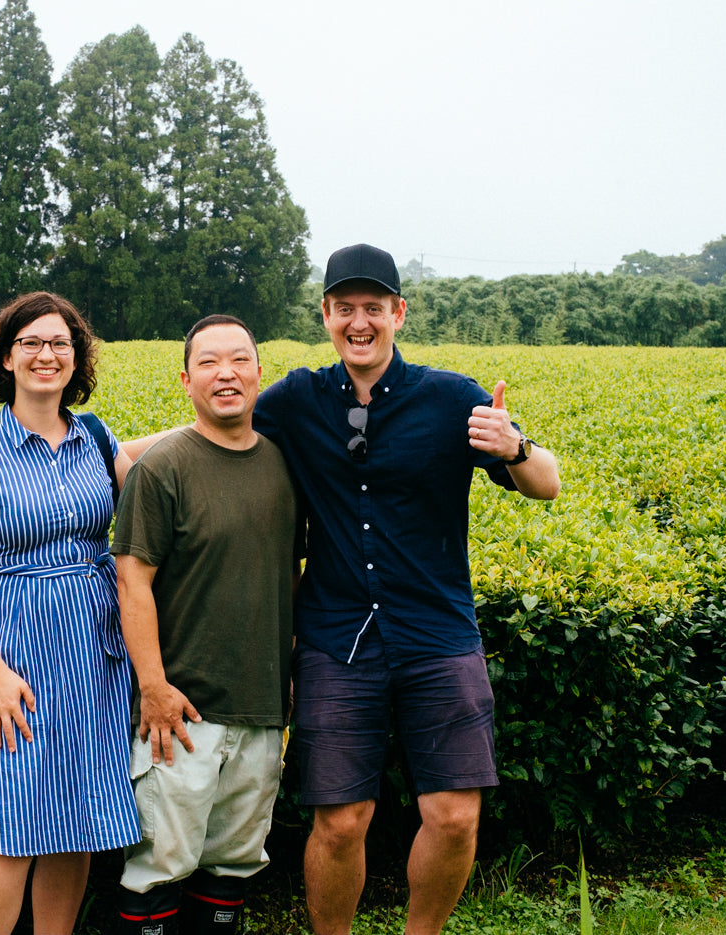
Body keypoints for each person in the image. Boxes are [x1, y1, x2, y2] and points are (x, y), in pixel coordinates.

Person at [249, 243, 561, 935]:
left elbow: (547, 483)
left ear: (399, 312)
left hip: (438, 631)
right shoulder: (299, 399)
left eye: (374, 308)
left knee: (453, 814)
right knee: (339, 820)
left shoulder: (451, 397)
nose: (360, 322)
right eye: (345, 309)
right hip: (335, 636)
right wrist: (100, 447)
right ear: (326, 315)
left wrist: (514, 446)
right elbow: (217, 429)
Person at [0, 292, 140, 935]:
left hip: (93, 654)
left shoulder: (95, 439)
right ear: (7, 356)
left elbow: (154, 480)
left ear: (77, 358)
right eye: (32, 344)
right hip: (12, 655)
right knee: (11, 830)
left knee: (74, 824)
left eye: (60, 344)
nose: (47, 355)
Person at [111, 315, 299, 935]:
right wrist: (153, 686)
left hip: (263, 707)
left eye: (239, 360)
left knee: (234, 864)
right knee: (161, 863)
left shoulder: (283, 466)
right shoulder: (162, 468)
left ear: (258, 374)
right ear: (186, 380)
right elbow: (132, 582)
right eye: (210, 363)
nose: (227, 374)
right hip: (182, 708)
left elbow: (287, 575)